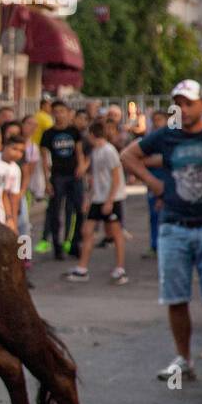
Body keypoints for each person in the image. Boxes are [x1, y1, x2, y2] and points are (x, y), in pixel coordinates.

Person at [120, 79, 202, 384]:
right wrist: (155, 186)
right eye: (177, 103)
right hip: (174, 226)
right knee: (175, 297)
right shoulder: (167, 135)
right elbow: (128, 155)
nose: (182, 108)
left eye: (188, 103)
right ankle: (184, 359)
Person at [64, 120, 128, 286]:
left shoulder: (109, 151)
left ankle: (120, 268)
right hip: (98, 198)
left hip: (111, 198)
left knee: (116, 233)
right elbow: (95, 179)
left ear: (92, 135)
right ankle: (82, 268)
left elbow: (116, 177)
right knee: (87, 231)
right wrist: (89, 197)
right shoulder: (96, 151)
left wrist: (110, 200)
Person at [41, 100, 86, 261]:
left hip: (74, 174)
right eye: (56, 111)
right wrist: (46, 181)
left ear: (68, 112)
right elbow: (45, 158)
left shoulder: (74, 131)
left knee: (78, 209)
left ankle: (74, 243)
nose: (59, 114)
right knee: (55, 210)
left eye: (62, 111)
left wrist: (81, 166)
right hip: (57, 175)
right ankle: (57, 245)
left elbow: (80, 151)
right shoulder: (48, 134)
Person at [143, 109, 170, 258]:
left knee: (168, 214)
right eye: (155, 120)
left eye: (160, 119)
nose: (157, 122)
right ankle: (155, 245)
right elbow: (138, 158)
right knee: (154, 213)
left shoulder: (171, 138)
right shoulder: (150, 140)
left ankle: (167, 245)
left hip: (168, 179)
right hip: (153, 180)